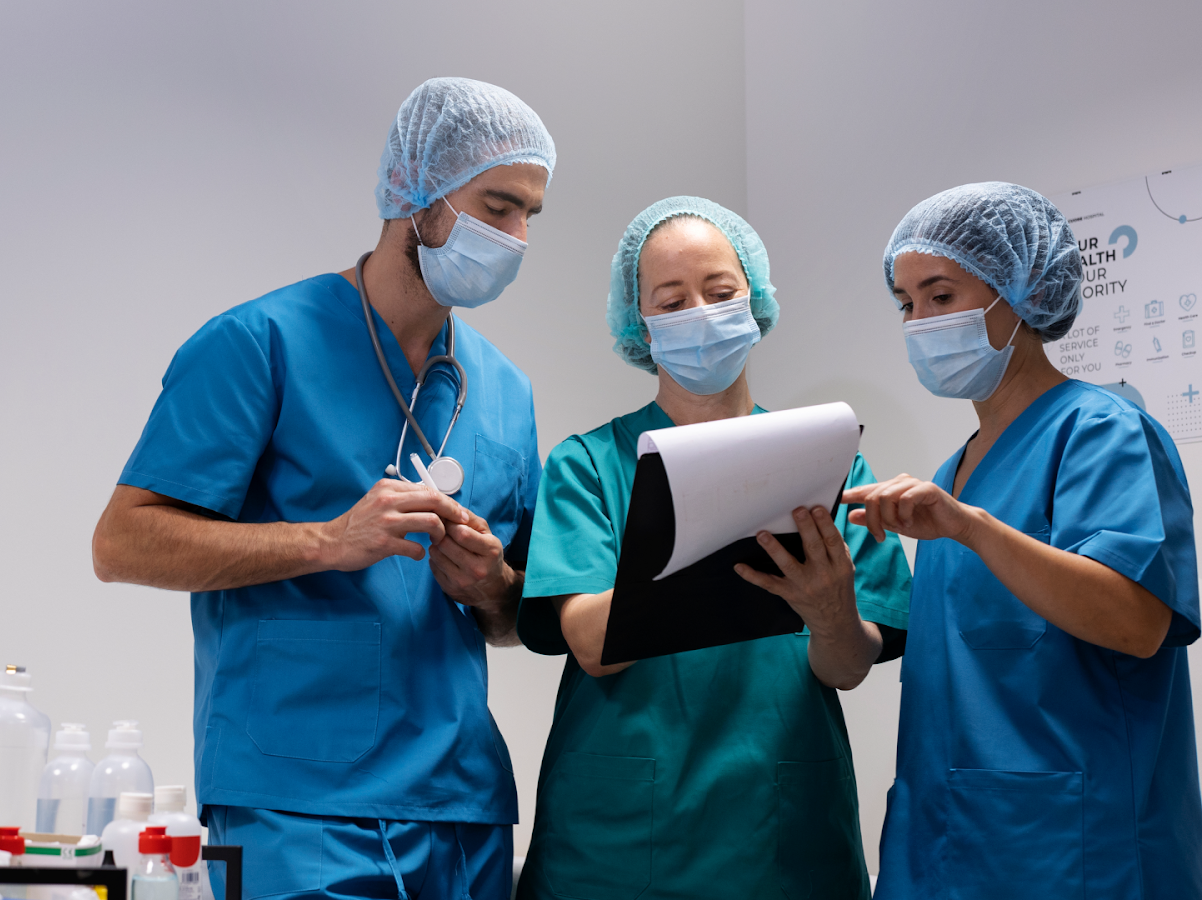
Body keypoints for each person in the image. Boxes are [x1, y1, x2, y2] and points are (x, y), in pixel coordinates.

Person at [92, 77, 554, 900]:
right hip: (297, 803)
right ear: (416, 191)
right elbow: (121, 542)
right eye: (498, 205)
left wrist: (492, 587)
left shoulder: (506, 391)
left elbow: (518, 615)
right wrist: (328, 540)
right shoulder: (259, 344)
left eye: (528, 215)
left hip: (462, 804)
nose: (516, 237)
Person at [514, 197, 912, 900]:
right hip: (621, 846)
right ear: (640, 325)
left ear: (754, 300)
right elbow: (592, 646)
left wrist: (829, 612)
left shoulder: (827, 463)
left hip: (779, 837)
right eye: (672, 301)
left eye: (721, 292)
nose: (699, 312)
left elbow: (849, 666)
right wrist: (707, 535)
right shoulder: (588, 465)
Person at [859, 182, 1202, 898]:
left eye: (941, 295)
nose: (919, 321)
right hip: (946, 842)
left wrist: (971, 527)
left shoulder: (1101, 433)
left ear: (1022, 291)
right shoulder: (956, 471)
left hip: (1072, 852)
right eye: (905, 302)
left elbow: (1137, 623)